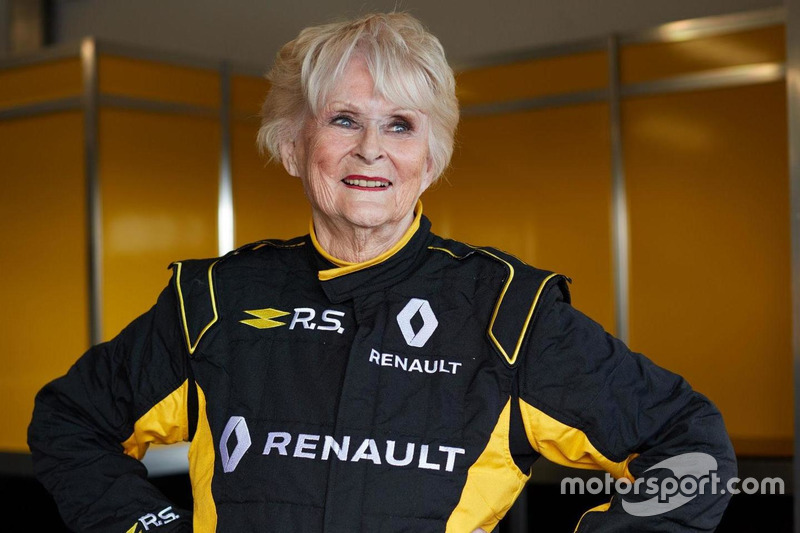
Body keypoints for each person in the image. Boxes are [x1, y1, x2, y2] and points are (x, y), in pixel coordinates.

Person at [28, 11, 737, 533]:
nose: (371, 148)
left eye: (401, 124)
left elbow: (692, 449)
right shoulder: (216, 300)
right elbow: (70, 421)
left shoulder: (509, 313)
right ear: (294, 144)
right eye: (344, 119)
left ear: (430, 158)